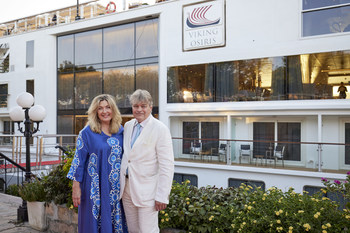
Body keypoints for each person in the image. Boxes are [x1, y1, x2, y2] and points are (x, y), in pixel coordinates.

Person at [67, 94, 128, 233]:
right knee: (92, 224)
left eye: (108, 107)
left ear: (113, 110)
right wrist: (75, 188)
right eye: (100, 108)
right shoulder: (87, 133)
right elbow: (78, 161)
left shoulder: (121, 131)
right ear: (95, 111)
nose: (104, 111)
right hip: (94, 188)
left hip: (116, 188)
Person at [120, 89, 174, 233]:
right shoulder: (128, 126)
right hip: (126, 189)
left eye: (143, 106)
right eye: (136, 106)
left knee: (147, 230)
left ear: (150, 107)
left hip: (148, 192)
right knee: (132, 230)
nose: (139, 110)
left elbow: (167, 166)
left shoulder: (160, 129)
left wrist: (162, 196)